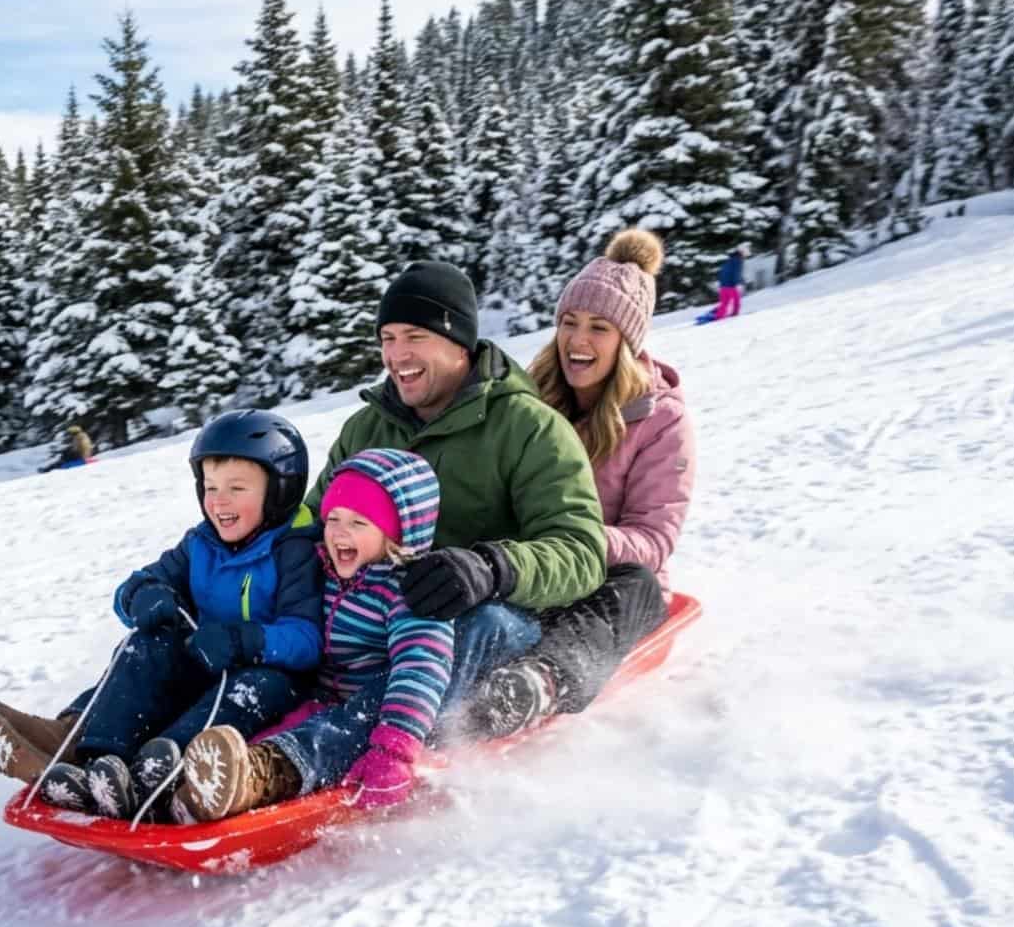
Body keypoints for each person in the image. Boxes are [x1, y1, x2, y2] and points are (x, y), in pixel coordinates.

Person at [0, 409, 324, 819]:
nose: (219, 501)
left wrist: (247, 640)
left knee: (259, 684)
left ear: (279, 490)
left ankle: (162, 768)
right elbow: (134, 586)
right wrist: (144, 596)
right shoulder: (200, 543)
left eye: (237, 488)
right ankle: (89, 752)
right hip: (204, 665)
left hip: (270, 678)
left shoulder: (295, 550)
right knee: (146, 643)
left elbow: (308, 639)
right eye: (210, 487)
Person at [304, 260, 607, 736]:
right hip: (371, 620)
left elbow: (581, 553)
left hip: (481, 624)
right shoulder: (367, 429)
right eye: (387, 339)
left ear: (459, 341)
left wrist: (490, 568)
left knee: (477, 626)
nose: (396, 355)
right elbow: (313, 521)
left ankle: (314, 751)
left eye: (414, 337)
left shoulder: (530, 428)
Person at [460, 229, 698, 739]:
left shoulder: (662, 421)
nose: (578, 340)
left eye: (598, 328)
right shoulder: (529, 397)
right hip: (531, 568)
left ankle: (537, 681)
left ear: (627, 342)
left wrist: (574, 540)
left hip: (605, 581)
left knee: (638, 588)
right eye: (569, 323)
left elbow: (654, 538)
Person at [173, 448, 456, 820]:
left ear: (398, 533)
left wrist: (395, 752)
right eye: (333, 518)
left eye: (358, 523)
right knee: (276, 726)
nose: (338, 532)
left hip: (388, 718)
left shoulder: (411, 593)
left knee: (331, 732)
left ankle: (260, 778)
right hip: (321, 697)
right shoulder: (323, 570)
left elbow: (421, 669)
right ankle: (212, 785)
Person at [710, 245, 747, 321]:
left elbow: (723, 273)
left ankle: (719, 317)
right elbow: (737, 273)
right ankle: (735, 315)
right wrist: (738, 283)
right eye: (744, 253)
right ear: (741, 253)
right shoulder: (738, 261)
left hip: (723, 286)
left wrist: (721, 283)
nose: (745, 256)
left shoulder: (728, 261)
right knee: (736, 302)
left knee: (724, 304)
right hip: (731, 286)